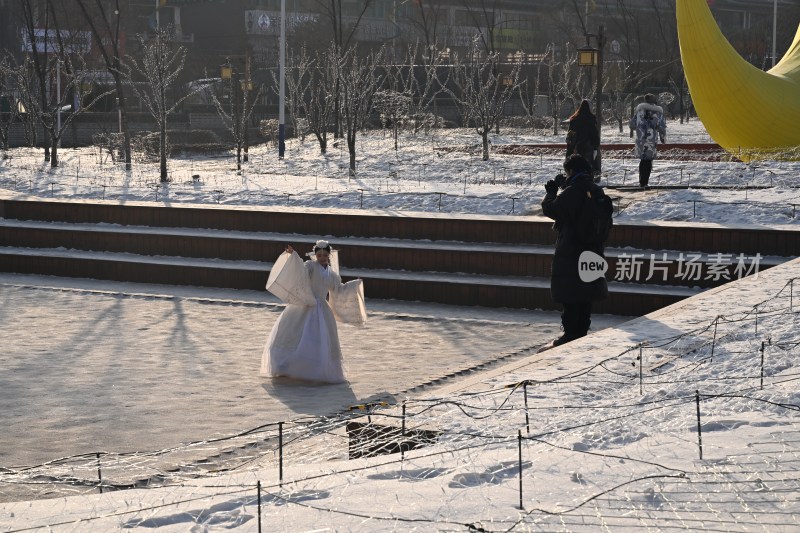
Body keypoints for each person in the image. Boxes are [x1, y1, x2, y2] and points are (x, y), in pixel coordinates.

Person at [261, 240, 366, 383]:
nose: (322, 258)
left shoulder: (332, 275)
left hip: (322, 308)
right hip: (306, 304)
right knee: (296, 334)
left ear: (329, 256)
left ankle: (316, 368)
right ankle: (285, 365)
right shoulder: (310, 266)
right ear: (315, 255)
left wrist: (354, 285)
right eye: (319, 255)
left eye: (324, 255)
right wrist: (294, 257)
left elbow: (339, 290)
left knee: (320, 339)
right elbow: (300, 273)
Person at [541, 154, 609, 349]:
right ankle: (581, 331)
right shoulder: (596, 190)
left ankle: (570, 334)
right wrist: (566, 186)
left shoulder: (573, 192)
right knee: (586, 292)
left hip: (572, 249)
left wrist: (551, 192)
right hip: (593, 249)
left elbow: (552, 209)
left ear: (570, 171)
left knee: (570, 292)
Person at [630, 93, 667, 188]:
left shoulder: (639, 111)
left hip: (640, 140)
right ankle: (644, 182)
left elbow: (632, 125)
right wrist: (663, 138)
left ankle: (641, 181)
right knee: (648, 161)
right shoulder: (658, 113)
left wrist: (640, 126)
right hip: (651, 140)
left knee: (643, 161)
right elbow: (662, 128)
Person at [565, 99, 601, 178]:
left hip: (575, 149)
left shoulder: (574, 119)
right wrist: (595, 145)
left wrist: (570, 148)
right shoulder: (591, 119)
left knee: (575, 169)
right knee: (587, 169)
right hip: (587, 149)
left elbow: (570, 136)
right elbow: (594, 135)